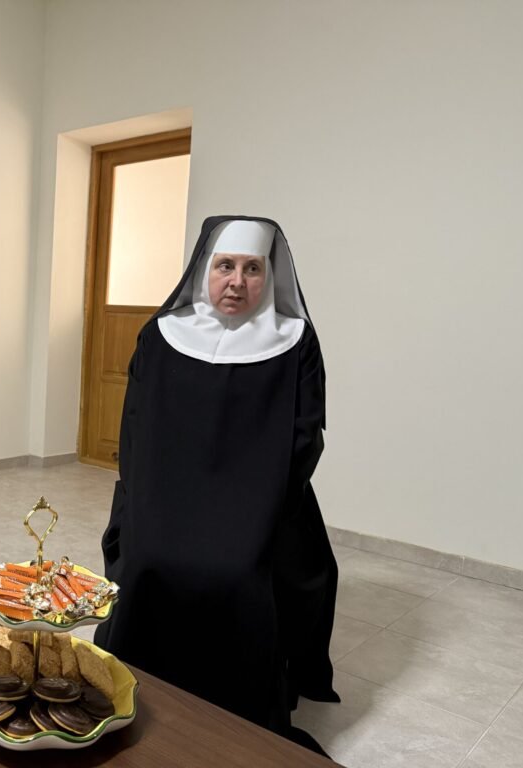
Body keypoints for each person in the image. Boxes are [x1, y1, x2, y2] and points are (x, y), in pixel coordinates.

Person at [93, 216, 339, 753]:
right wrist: (147, 504)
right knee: (147, 559)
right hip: (165, 499)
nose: (237, 281)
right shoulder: (161, 336)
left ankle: (236, 711)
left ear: (269, 277)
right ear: (204, 269)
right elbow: (135, 432)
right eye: (225, 266)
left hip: (256, 506)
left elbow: (304, 440)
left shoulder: (295, 343)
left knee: (238, 571)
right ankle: (137, 686)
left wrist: (255, 512)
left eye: (253, 269)